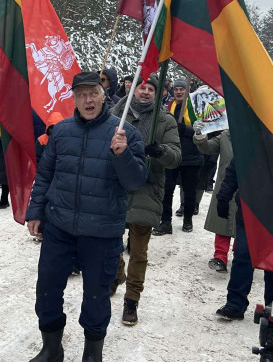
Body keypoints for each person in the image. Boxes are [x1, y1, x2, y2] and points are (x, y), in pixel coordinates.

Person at [25, 72, 148, 362]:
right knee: (47, 290)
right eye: (81, 95)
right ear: (74, 99)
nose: (88, 100)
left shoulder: (125, 134)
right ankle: (51, 349)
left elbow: (136, 181)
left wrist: (122, 154)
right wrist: (35, 211)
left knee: (96, 297)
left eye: (93, 93)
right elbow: (45, 175)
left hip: (101, 232)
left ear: (103, 96)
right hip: (59, 227)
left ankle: (92, 354)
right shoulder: (61, 131)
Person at [110, 74, 181, 326]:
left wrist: (161, 151)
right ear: (133, 89)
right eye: (142, 87)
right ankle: (116, 274)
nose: (146, 91)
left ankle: (131, 300)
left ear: (158, 93)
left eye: (151, 88)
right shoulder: (117, 113)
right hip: (116, 185)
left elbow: (175, 157)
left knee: (139, 251)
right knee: (111, 241)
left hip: (146, 188)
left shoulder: (165, 120)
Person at [214, 160, 273, 320]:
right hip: (251, 209)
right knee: (243, 257)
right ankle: (235, 304)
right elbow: (237, 166)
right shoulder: (251, 145)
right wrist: (224, 195)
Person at [153, 80, 202, 235]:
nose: (179, 92)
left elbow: (203, 131)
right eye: (176, 89)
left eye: (182, 89)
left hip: (191, 156)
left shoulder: (195, 107)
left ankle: (188, 220)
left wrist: (185, 130)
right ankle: (165, 222)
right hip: (171, 155)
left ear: (187, 91)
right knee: (167, 190)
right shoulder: (168, 107)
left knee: (189, 191)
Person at [193, 123, 235, 273]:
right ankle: (220, 256)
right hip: (226, 186)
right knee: (222, 221)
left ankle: (241, 256)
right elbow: (207, 148)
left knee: (244, 225)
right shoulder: (226, 135)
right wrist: (200, 134)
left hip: (249, 188)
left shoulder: (258, 136)